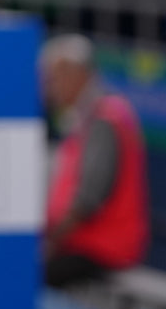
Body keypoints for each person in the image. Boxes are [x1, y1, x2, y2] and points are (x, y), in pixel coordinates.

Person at [40, 33, 150, 288]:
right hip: (84, 245)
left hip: (102, 248)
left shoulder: (104, 118)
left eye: (54, 79)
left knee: (26, 275)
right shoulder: (87, 117)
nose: (50, 90)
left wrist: (50, 242)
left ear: (76, 74)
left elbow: (88, 198)